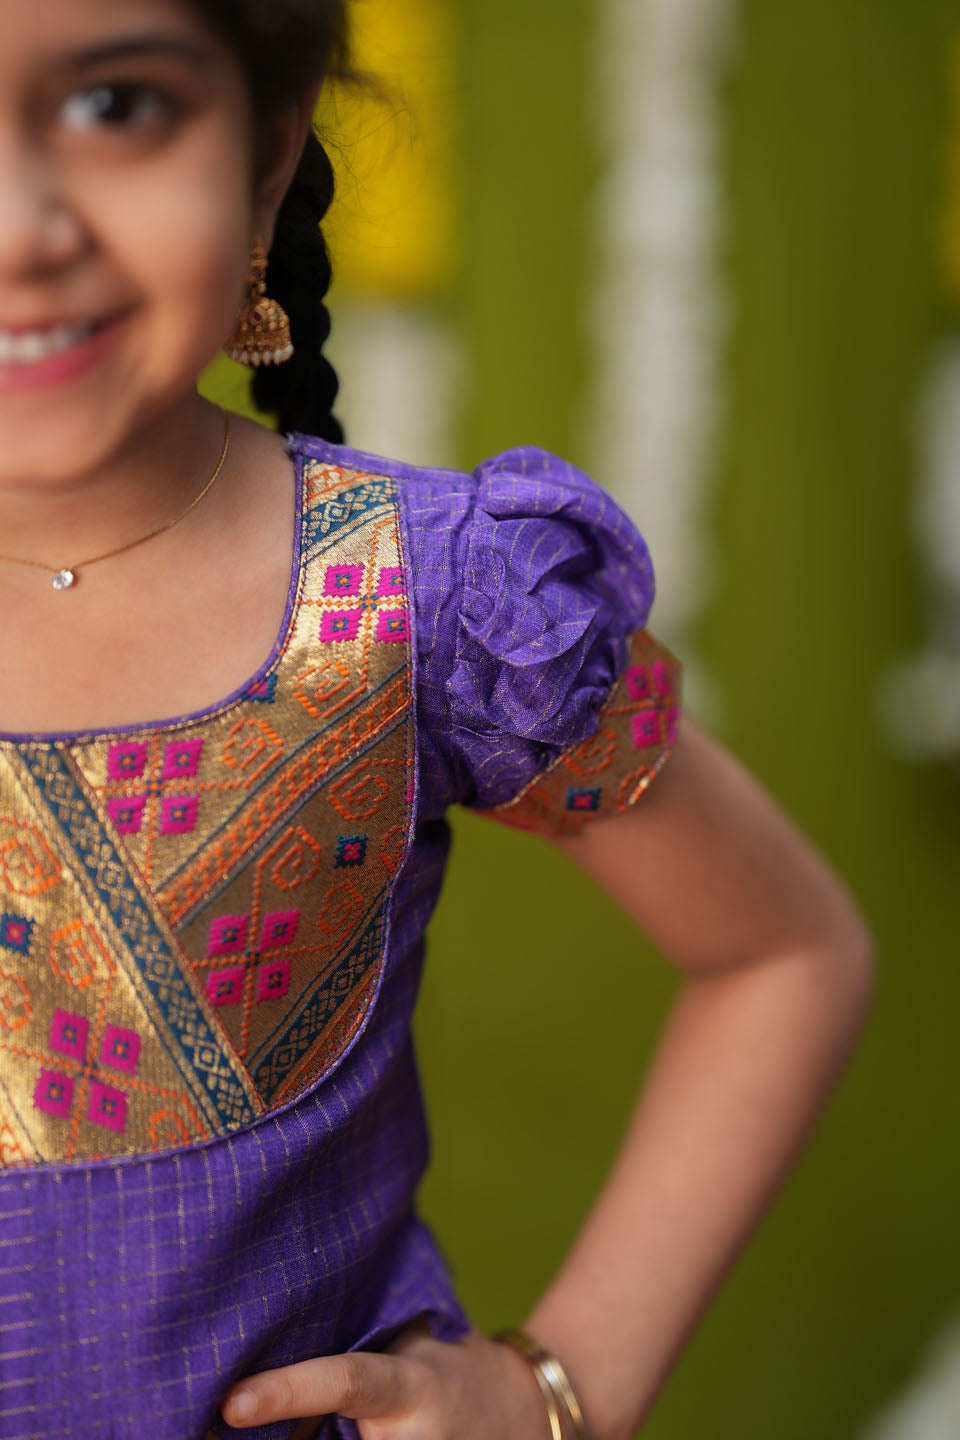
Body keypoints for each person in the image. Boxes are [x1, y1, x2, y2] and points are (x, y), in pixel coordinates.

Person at [0, 2, 873, 1438]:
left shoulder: (444, 595)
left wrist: (553, 1389)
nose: (24, 228)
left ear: (268, 151)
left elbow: (785, 953)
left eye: (113, 107)